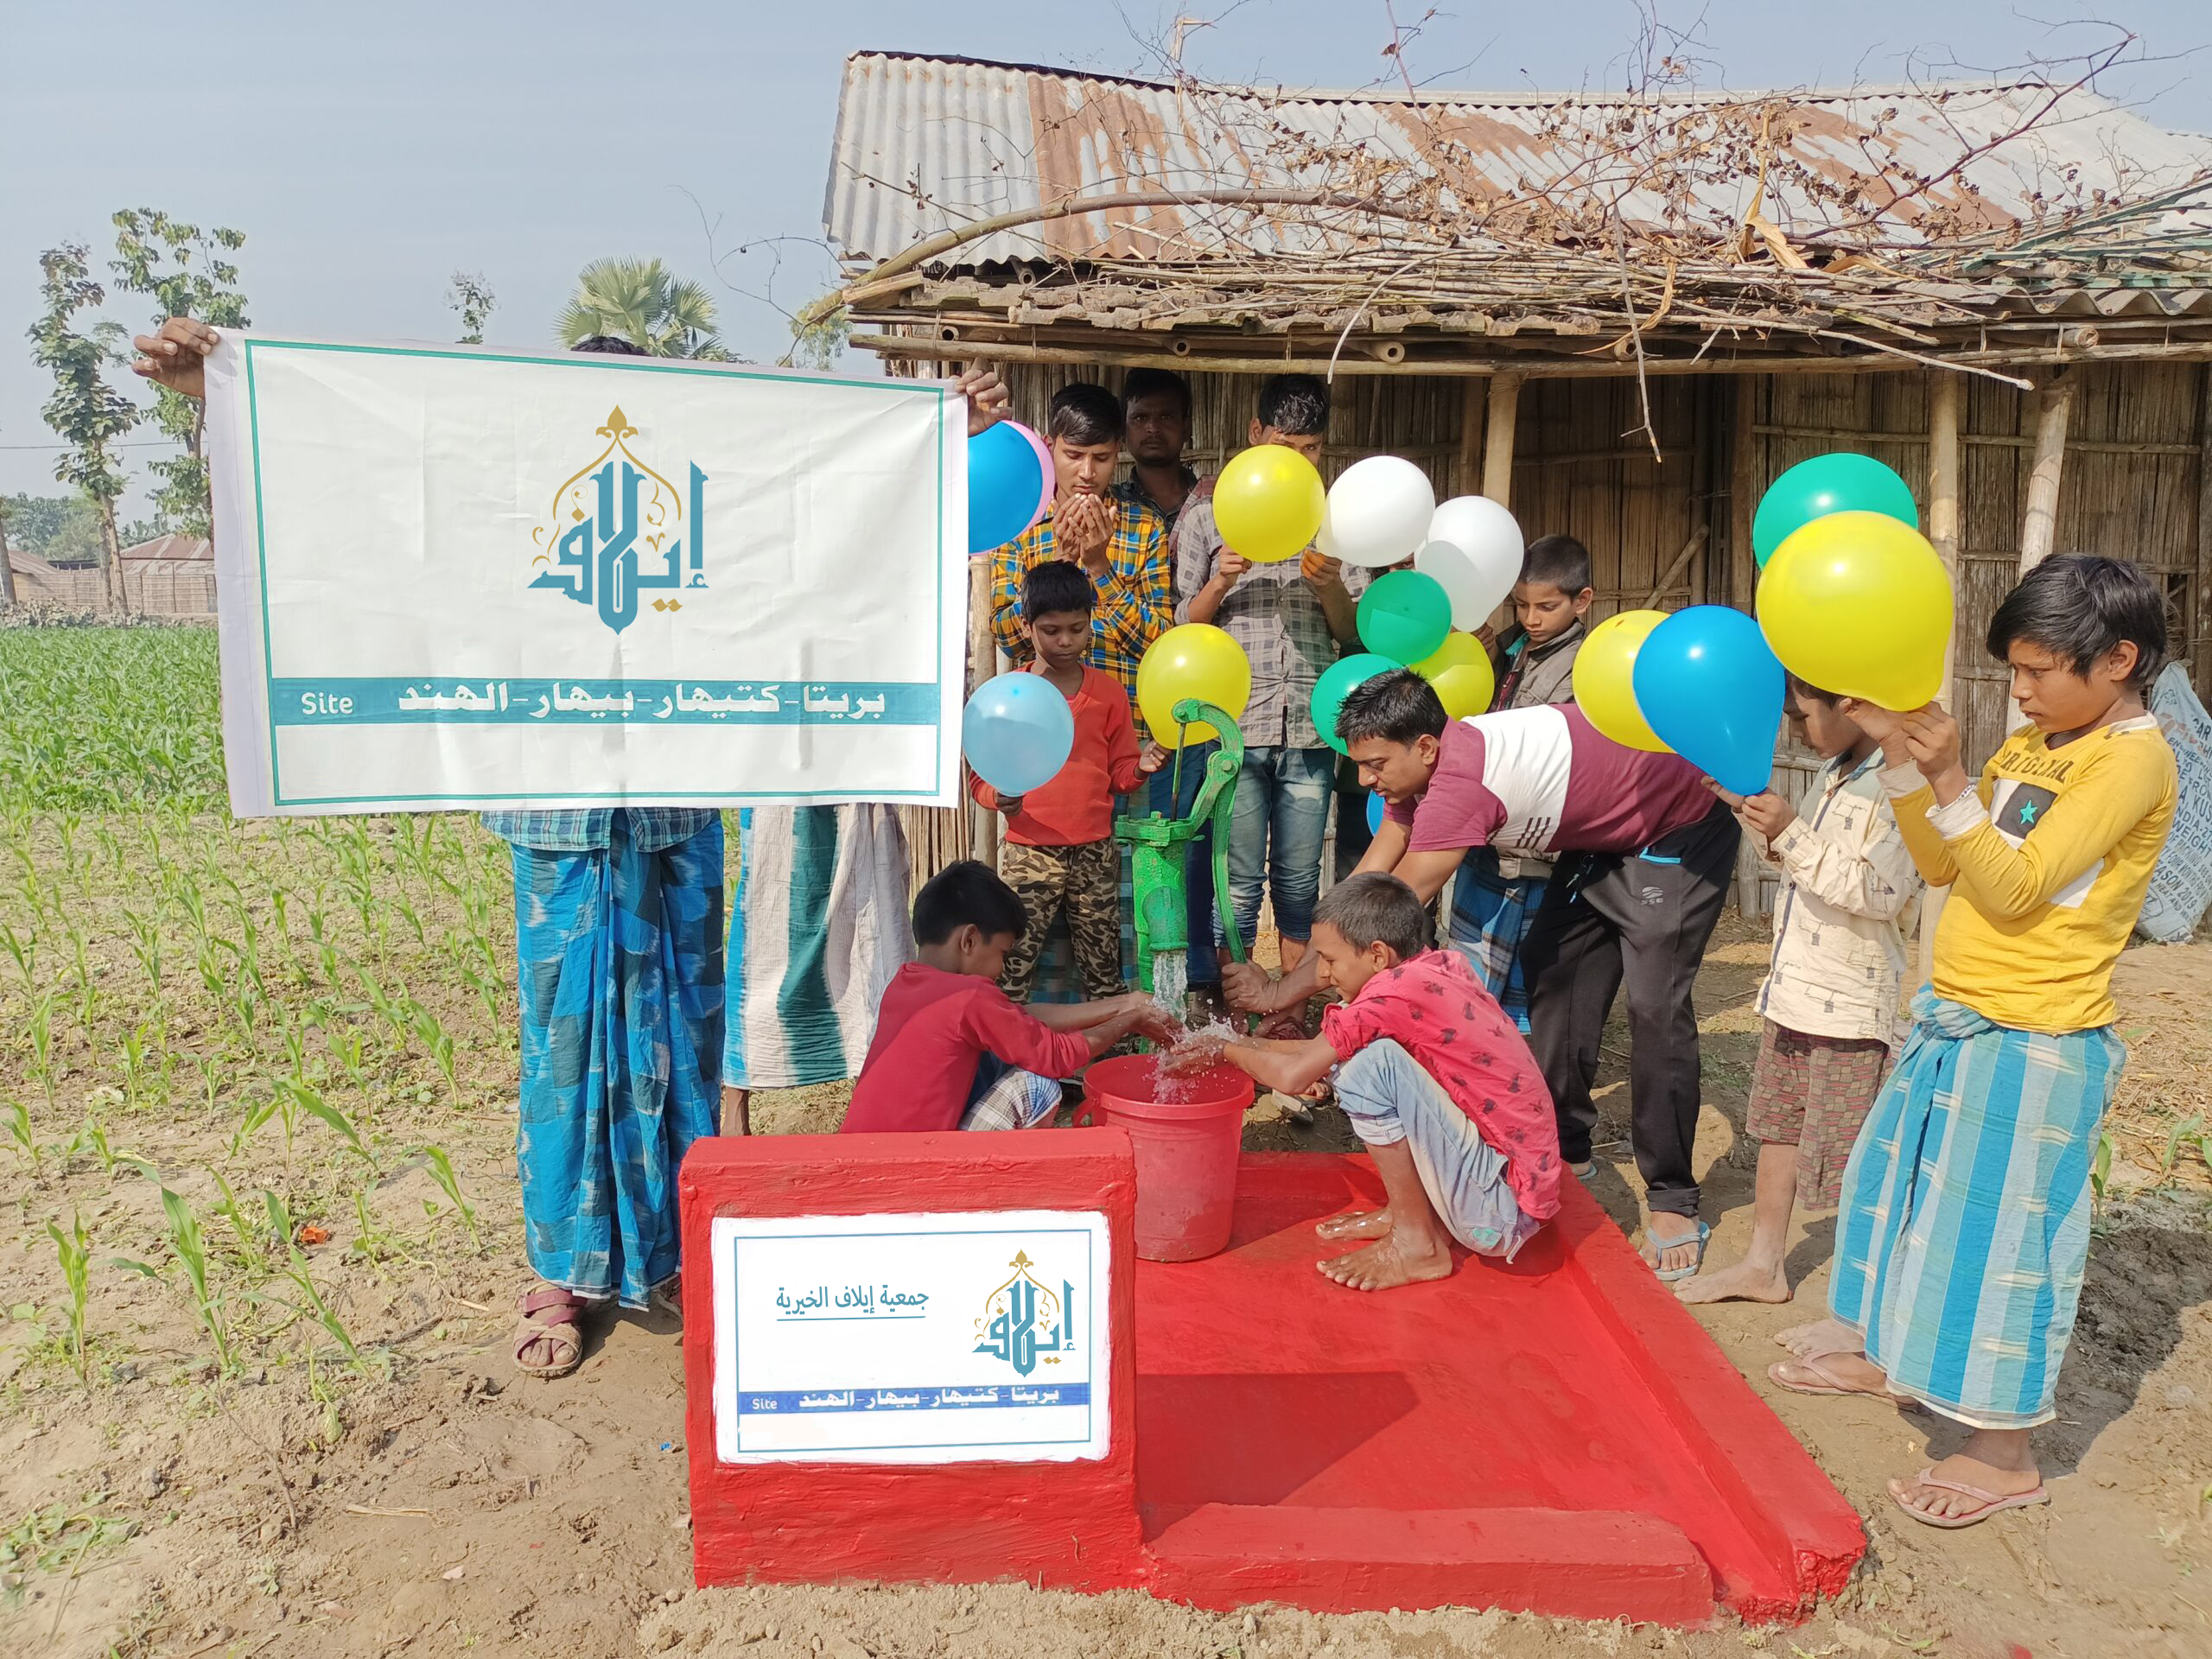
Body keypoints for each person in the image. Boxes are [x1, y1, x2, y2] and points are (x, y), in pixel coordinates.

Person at [1770, 555, 2176, 1530]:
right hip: (1957, 1012)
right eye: (2013, 674)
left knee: (2000, 1245)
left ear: (2117, 660)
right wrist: (1909, 766)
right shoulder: (2037, 744)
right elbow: (1942, 863)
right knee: (1900, 1198)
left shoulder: (2130, 760)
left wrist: (1949, 770)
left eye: (2039, 672)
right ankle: (1888, 1357)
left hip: (2037, 1035)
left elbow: (2015, 888)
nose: (2021, 692)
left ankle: (2002, 1453)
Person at [1223, 670, 1736, 1280]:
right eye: (1358, 765)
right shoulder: (1420, 767)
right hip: (1601, 836)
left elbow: (1387, 906)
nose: (1365, 780)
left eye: (1375, 764)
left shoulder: (1461, 785)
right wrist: (1302, 976)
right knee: (1554, 979)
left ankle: (1672, 1199)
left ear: (1425, 748)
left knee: (1655, 1007)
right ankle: (1566, 1153)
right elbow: (1366, 887)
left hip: (1677, 825)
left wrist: (1283, 991)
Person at [1171, 873, 1560, 1290]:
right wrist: (1236, 1042)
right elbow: (1313, 1054)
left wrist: (1224, 1052)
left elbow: (1291, 1074)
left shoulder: (1387, 999)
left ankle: (1418, 1244)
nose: (1322, 972)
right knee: (1361, 1057)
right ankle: (1412, 1213)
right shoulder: (1434, 969)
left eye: (1330, 959)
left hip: (1497, 1217)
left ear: (1377, 954)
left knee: (1367, 1067)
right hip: (1508, 1188)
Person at [1676, 678, 1920, 1308]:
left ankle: (1871, 1302)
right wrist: (1757, 814)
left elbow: (1878, 893)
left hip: (1848, 1003)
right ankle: (1764, 1264)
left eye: (1802, 714)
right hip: (1796, 991)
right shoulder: (1834, 771)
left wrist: (1791, 831)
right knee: (1778, 1128)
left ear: (1851, 702)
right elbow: (1801, 862)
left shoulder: (1901, 782)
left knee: (1853, 1157)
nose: (1796, 729)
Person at [1173, 373, 1362, 988]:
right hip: (1236, 727)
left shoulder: (1336, 520)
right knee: (1238, 877)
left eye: (1312, 450)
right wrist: (1221, 580)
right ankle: (1235, 1006)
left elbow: (1352, 634)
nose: (1300, 463)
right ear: (1256, 434)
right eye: (1286, 447)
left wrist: (1330, 587)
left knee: (1301, 881)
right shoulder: (1207, 512)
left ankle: (1286, 1006)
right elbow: (1183, 626)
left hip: (1309, 723)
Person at [842, 861, 1181, 1133]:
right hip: (909, 1171)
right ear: (970, 940)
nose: (1002, 969)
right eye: (1003, 953)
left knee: (1009, 1050)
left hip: (864, 1153)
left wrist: (1123, 1003)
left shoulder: (905, 983)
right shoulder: (969, 997)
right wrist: (1131, 1020)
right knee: (1039, 1083)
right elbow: (1061, 1057)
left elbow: (1019, 1019)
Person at [972, 561, 1166, 1001]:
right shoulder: (1009, 696)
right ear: (1027, 625)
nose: (1065, 641)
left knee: (1102, 966)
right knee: (1012, 962)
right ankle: (1005, 1058)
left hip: (1095, 852)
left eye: (1077, 629)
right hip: (1029, 851)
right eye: (1052, 630)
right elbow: (979, 778)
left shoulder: (1109, 693)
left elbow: (1119, 776)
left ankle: (1107, 1060)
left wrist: (1141, 767)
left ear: (1090, 622)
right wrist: (999, 797)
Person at [1457, 534, 1595, 1032]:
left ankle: (1513, 1071)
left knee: (1520, 977)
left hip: (1534, 850)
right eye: (1522, 604)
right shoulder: (1516, 649)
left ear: (1583, 601)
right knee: (1473, 967)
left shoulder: (1586, 664)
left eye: (1546, 606)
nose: (1532, 617)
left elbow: (1562, 752)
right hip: (1491, 834)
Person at [988, 381, 1171, 698]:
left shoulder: (1145, 528)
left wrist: (1100, 568)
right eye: (1074, 455)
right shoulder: (1020, 527)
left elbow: (1158, 644)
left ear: (1118, 452)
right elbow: (1007, 637)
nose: (1087, 472)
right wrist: (1060, 564)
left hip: (1122, 726)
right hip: (1041, 719)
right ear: (1049, 446)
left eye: (1101, 458)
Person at [1114, 367, 1199, 534]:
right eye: (1140, 417)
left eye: (1166, 416)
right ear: (1123, 430)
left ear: (1186, 427)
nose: (1153, 428)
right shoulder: (1112, 504)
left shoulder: (1211, 501)